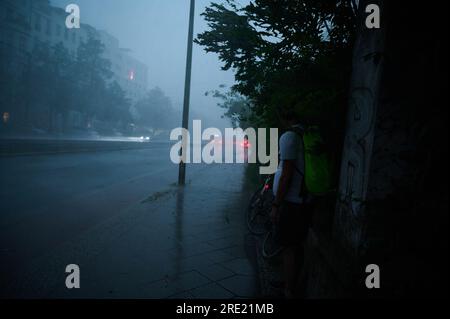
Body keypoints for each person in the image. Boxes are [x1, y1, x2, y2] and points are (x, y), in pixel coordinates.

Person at [271, 108, 313, 298]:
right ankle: (290, 281)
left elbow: (286, 175)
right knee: (296, 245)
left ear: (283, 116)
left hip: (291, 201)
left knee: (288, 247)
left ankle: (289, 290)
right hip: (305, 198)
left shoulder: (289, 137)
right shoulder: (307, 133)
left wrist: (276, 205)